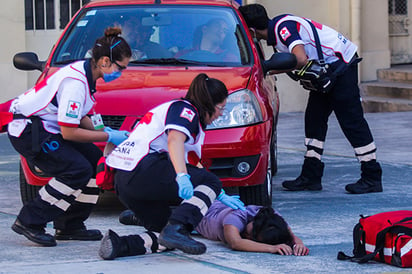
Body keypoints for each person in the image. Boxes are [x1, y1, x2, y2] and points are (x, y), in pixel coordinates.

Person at [239, 4, 383, 194]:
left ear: (251, 30)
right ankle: (311, 176)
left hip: (341, 67)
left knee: (351, 121)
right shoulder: (278, 30)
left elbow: (300, 58)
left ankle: (372, 177)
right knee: (314, 120)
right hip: (328, 71)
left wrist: (266, 69)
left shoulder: (283, 29)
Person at [7, 27, 132, 247]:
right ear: (104, 62)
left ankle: (69, 225)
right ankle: (29, 221)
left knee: (95, 163)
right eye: (120, 67)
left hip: (47, 127)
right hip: (29, 130)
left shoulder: (85, 73)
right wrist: (106, 135)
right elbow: (69, 132)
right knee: (75, 170)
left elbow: (80, 115)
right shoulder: (76, 83)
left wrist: (107, 133)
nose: (122, 72)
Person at [104, 73, 245, 255]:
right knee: (210, 183)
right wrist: (183, 176)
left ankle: (119, 245)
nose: (220, 114)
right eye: (221, 108)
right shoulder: (186, 110)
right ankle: (178, 227)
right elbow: (174, 140)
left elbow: (194, 164)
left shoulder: (187, 120)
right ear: (209, 104)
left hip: (125, 181)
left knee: (163, 235)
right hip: (143, 171)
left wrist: (220, 194)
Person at [98, 201, 309, 260]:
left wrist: (297, 243)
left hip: (203, 212)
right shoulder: (235, 220)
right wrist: (271, 249)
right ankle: (139, 216)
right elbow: (235, 243)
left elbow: (288, 231)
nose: (246, 235)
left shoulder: (271, 217)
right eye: (249, 233)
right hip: (191, 213)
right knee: (166, 227)